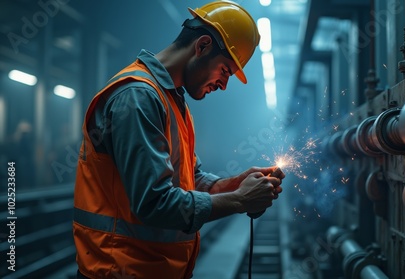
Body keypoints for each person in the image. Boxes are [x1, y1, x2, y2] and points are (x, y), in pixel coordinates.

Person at [73, 1, 285, 279]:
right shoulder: (138, 98)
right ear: (203, 45)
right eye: (224, 70)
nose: (223, 85)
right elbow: (155, 202)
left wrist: (233, 184)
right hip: (120, 271)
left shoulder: (172, 102)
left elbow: (187, 180)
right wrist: (239, 200)